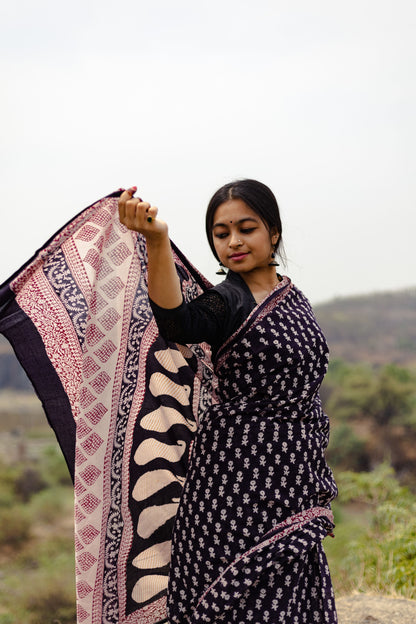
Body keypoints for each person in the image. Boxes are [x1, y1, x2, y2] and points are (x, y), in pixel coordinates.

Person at [118, 179, 338, 624]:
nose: (233, 242)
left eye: (246, 228)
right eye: (221, 234)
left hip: (293, 474)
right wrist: (157, 239)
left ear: (273, 232)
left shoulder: (293, 298)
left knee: (292, 591)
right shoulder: (228, 301)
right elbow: (179, 322)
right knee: (243, 599)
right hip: (235, 481)